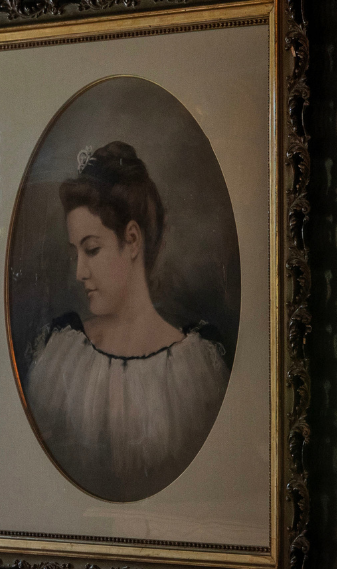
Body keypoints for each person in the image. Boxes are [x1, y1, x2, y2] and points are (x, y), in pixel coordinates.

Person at [22, 141, 230, 502]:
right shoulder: (60, 353)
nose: (79, 272)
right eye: (75, 253)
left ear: (132, 239)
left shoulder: (197, 369)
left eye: (92, 249)